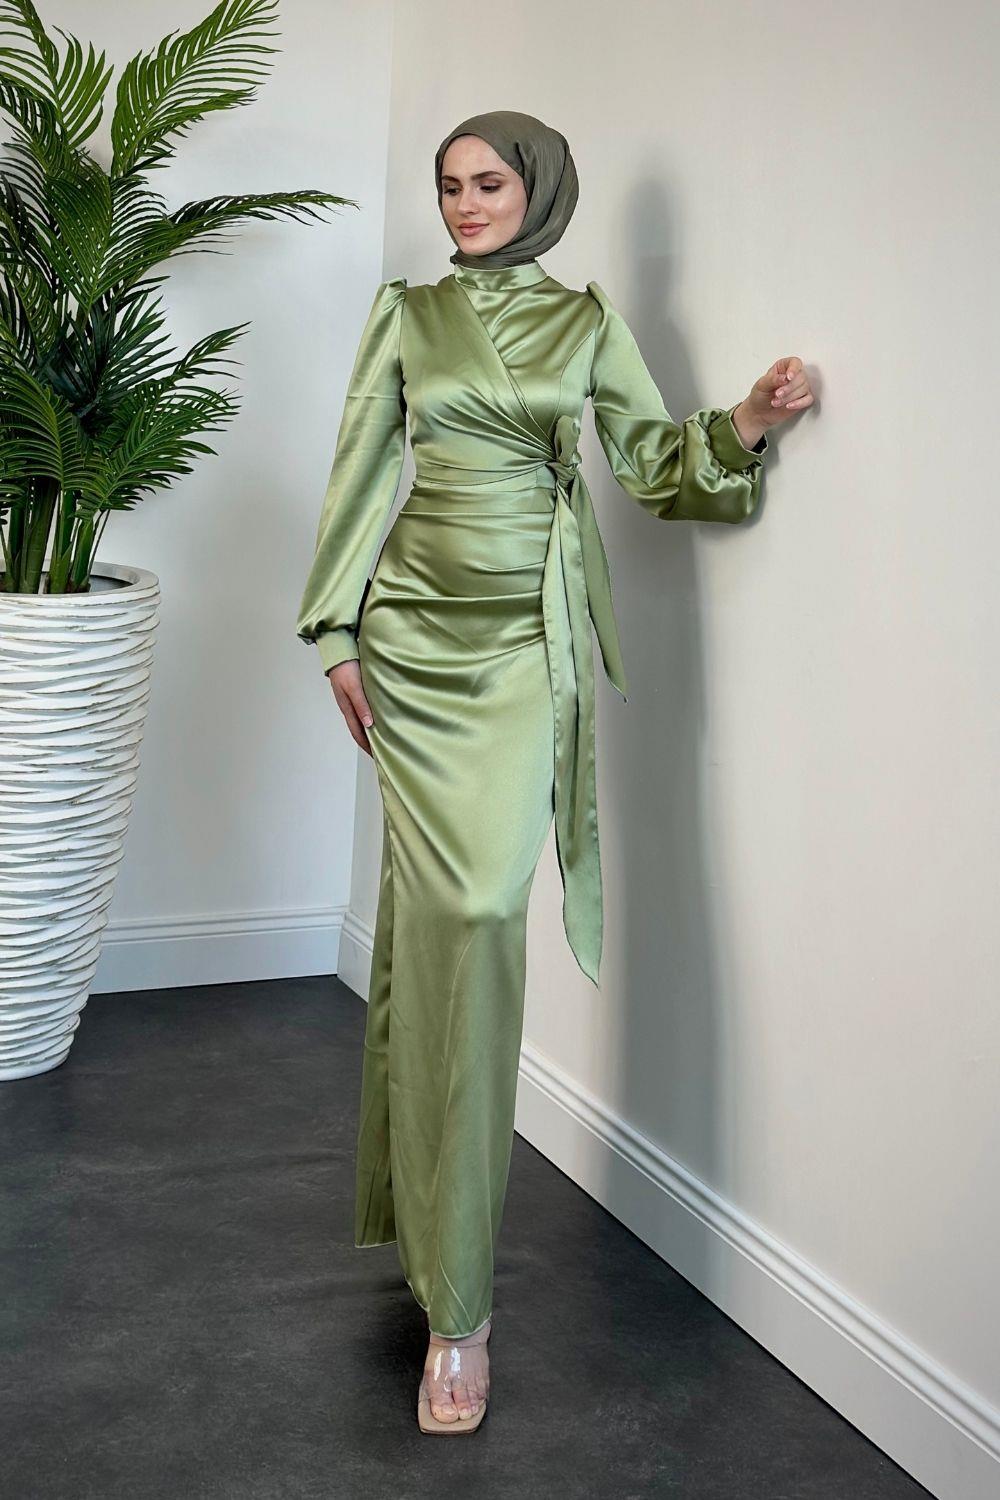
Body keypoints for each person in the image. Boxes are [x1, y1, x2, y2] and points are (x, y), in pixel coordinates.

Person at [296, 109, 813, 1435]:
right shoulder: (407, 315)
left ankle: (455, 1282)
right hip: (411, 646)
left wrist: (749, 421)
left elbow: (651, 465)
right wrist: (338, 632)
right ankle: (450, 1297)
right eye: (449, 186)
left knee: (476, 919)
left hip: (526, 649)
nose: (465, 204)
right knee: (440, 928)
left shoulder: (586, 325)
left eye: (489, 182)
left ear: (541, 191)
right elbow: (358, 473)